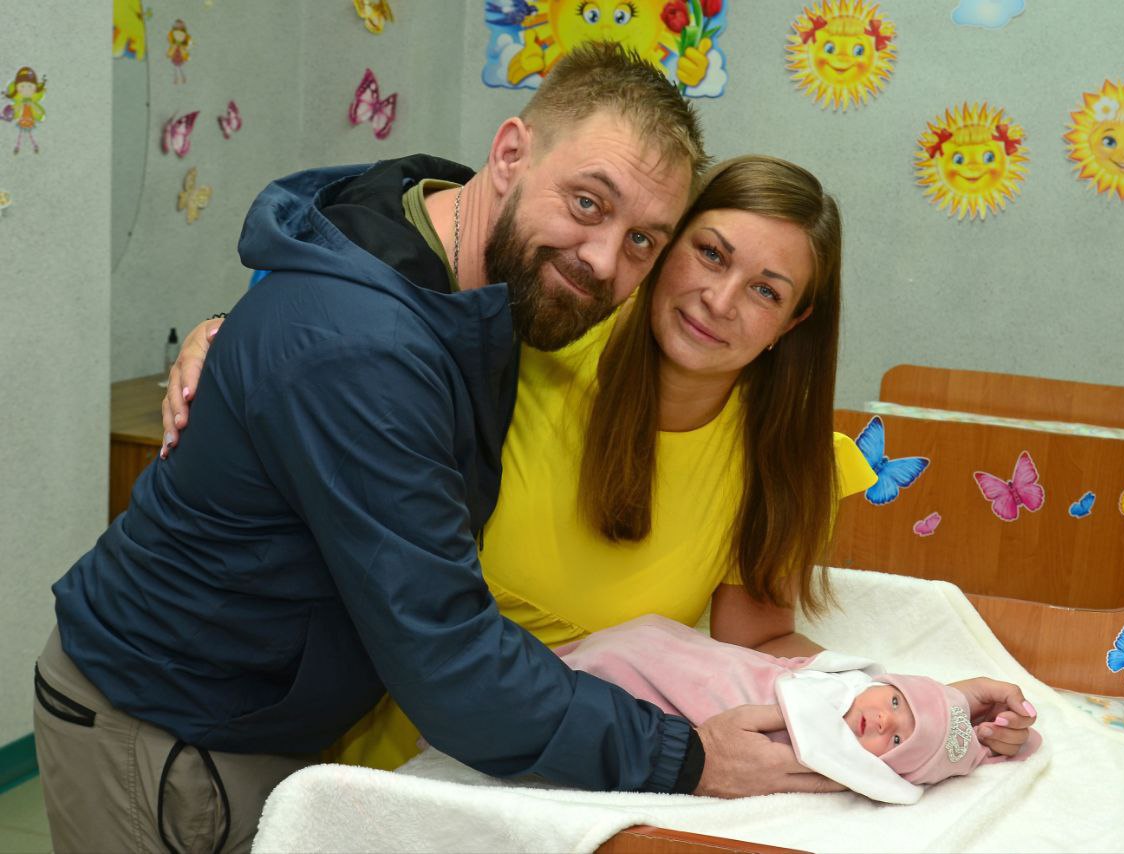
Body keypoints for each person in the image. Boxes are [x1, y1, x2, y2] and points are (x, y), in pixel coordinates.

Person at [35, 43, 816, 854]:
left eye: (643, 241)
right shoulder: (365, 347)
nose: (602, 260)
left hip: (274, 722)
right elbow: (449, 658)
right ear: (509, 155)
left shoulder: (474, 271)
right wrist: (689, 757)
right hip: (164, 730)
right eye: (588, 203)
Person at [166, 155, 1039, 777]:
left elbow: (760, 647)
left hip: (590, 766)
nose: (719, 301)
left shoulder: (785, 461)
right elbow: (358, 324)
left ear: (794, 324)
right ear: (660, 245)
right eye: (710, 254)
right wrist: (229, 333)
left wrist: (917, 708)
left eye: (766, 291)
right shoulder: (533, 341)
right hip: (389, 743)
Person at [556, 615, 1042, 804]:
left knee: (609, 674)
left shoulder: (829, 753)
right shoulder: (844, 682)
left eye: (896, 740)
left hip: (642, 679)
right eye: (896, 701)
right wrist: (952, 705)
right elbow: (760, 665)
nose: (885, 719)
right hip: (666, 646)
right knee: (647, 647)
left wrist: (981, 744)